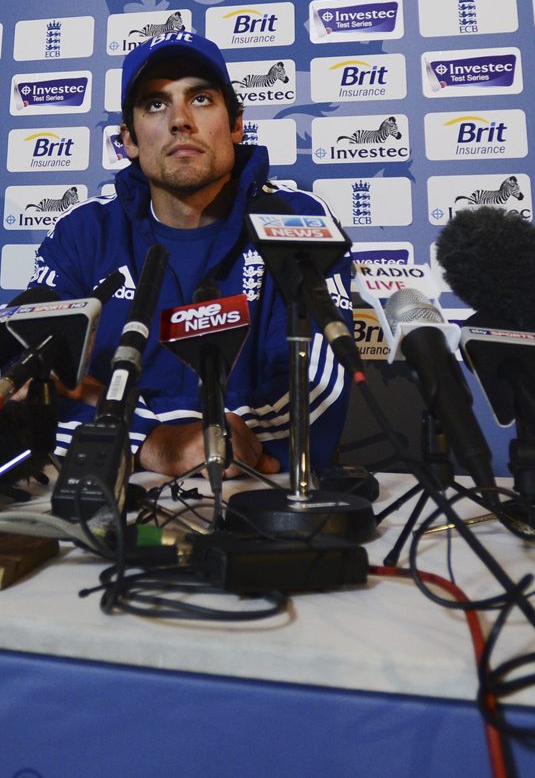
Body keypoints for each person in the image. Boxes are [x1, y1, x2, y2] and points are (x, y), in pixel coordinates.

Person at [27, 30, 352, 479]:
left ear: (236, 124)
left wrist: (243, 439)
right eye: (155, 104)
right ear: (129, 139)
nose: (180, 120)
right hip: (106, 489)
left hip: (258, 491)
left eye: (200, 99)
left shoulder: (296, 218)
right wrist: (152, 441)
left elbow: (319, 379)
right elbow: (23, 377)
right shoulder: (84, 233)